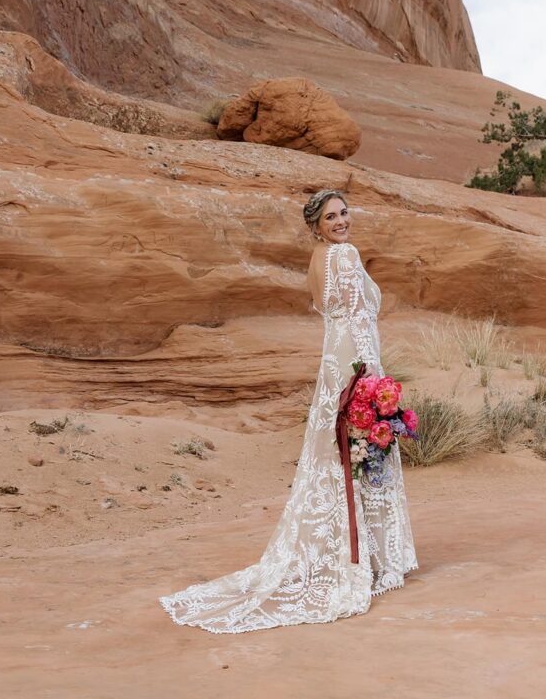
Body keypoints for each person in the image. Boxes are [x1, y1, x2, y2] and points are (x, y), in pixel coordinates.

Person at [159, 188, 418, 633]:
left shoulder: (319, 260)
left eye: (344, 213)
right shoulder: (346, 255)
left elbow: (332, 312)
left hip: (333, 359)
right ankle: (373, 560)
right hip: (355, 359)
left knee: (336, 452)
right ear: (316, 225)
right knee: (360, 445)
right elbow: (358, 317)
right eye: (332, 217)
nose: (342, 222)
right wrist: (369, 378)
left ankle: (352, 551)